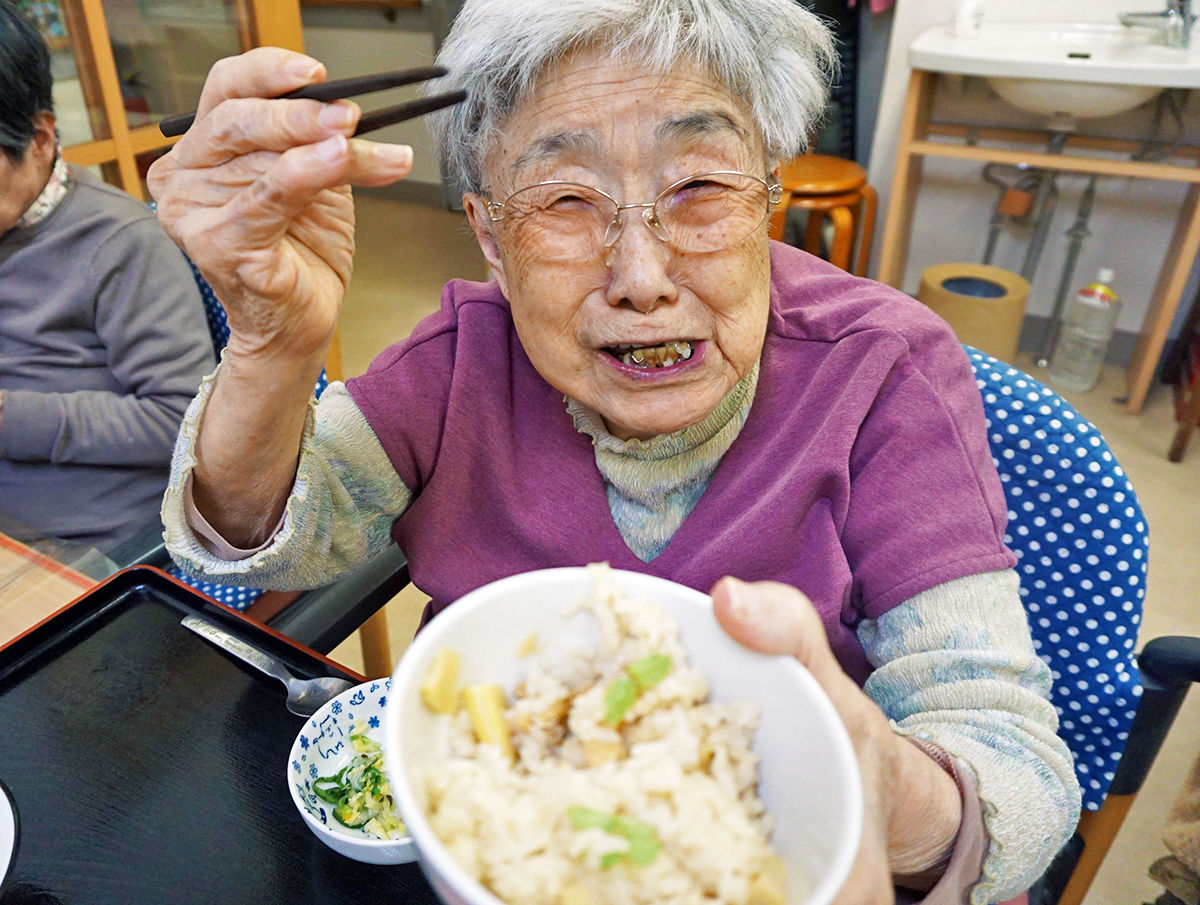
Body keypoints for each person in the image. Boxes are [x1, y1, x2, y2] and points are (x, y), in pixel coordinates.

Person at [149, 0, 1081, 900]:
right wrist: (271, 341)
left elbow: (1019, 785)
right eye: (564, 200)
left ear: (768, 199)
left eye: (700, 187)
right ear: (489, 237)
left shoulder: (885, 372)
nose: (641, 279)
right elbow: (258, 537)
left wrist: (863, 775)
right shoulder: (459, 362)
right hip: (501, 849)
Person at [0, 2, 215, 554]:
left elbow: (182, 422)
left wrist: (11, 416)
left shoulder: (119, 242)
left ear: (40, 137)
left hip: (85, 542)